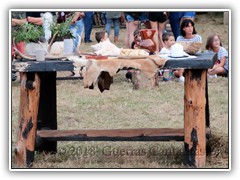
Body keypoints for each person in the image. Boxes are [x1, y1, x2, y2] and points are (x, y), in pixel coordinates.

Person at [175, 18, 202, 83]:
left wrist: (188, 49)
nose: (190, 28)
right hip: (184, 58)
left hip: (195, 57)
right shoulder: (179, 38)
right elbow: (178, 49)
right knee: (177, 70)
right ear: (183, 29)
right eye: (187, 27)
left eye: (191, 26)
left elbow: (198, 50)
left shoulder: (198, 37)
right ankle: (181, 77)